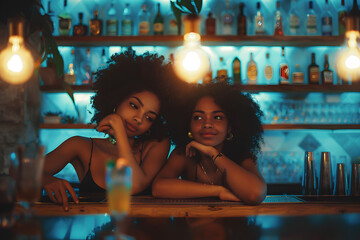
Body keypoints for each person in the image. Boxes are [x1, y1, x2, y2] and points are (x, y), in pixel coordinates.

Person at [42, 49, 183, 211]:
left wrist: (120, 134)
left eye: (149, 117)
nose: (139, 118)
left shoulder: (157, 145)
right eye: (133, 106)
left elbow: (132, 186)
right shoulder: (80, 145)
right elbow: (19, 172)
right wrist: (46, 180)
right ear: (116, 99)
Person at [152, 82, 266, 205]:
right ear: (188, 125)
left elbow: (255, 194)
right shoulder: (183, 154)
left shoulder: (243, 157)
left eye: (217, 117)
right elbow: (158, 188)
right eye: (198, 117)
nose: (207, 124)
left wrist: (213, 153)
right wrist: (218, 191)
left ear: (229, 127)